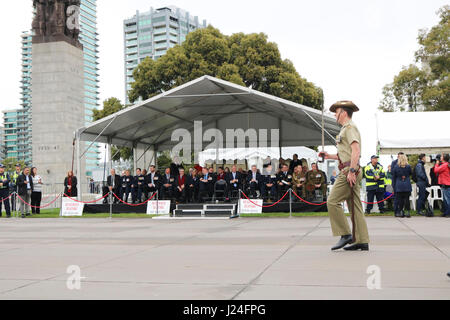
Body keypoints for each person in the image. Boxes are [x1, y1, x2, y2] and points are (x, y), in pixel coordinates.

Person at [318, 101, 370, 251]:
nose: (335, 115)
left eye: (337, 112)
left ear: (344, 113)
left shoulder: (349, 128)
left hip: (349, 171)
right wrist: (329, 156)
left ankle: (345, 234)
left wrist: (352, 171)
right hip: (349, 168)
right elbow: (346, 153)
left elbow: (356, 151)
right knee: (355, 208)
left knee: (332, 201)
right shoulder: (346, 129)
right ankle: (362, 240)